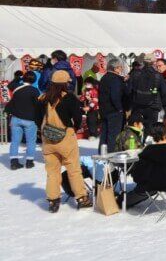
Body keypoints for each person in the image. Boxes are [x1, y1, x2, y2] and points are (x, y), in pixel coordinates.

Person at [39, 70, 91, 212]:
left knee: (52, 172)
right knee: (73, 169)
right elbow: (78, 118)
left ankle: (53, 201)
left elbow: (38, 118)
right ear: (65, 83)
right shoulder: (69, 98)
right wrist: (74, 127)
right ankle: (81, 198)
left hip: (48, 139)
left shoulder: (43, 98)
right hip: (66, 137)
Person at [125, 122, 166, 209]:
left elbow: (138, 176)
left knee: (126, 198)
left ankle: (121, 201)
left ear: (153, 136)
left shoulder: (149, 152)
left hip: (153, 185)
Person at [7, 71, 41, 169]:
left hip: (15, 118)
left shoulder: (16, 87)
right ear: (34, 80)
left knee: (15, 141)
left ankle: (14, 162)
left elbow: (10, 85)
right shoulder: (34, 91)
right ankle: (29, 162)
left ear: (23, 78)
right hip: (30, 120)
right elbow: (37, 106)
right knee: (30, 141)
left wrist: (18, 77)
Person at [98, 57, 127, 154]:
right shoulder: (115, 79)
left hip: (104, 110)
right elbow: (115, 96)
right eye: (120, 67)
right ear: (115, 68)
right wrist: (119, 108)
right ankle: (112, 154)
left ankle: (102, 153)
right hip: (114, 111)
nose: (121, 69)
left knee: (104, 134)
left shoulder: (104, 78)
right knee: (114, 135)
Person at [128, 59, 166, 127]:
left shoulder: (135, 74)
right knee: (150, 128)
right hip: (153, 107)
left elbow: (128, 90)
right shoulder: (158, 75)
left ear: (143, 63)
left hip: (137, 105)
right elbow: (164, 91)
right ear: (153, 63)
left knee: (136, 127)